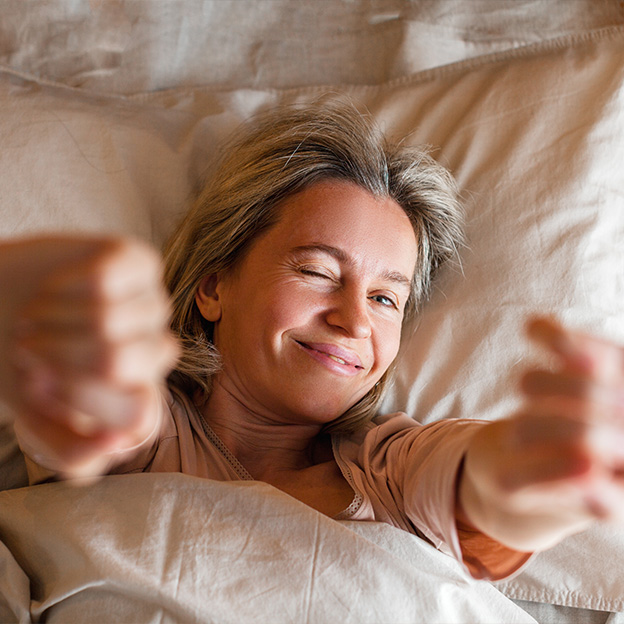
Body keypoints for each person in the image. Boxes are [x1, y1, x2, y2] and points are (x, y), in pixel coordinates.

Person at [1, 101, 623, 581]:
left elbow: (487, 485)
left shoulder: (389, 469)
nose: (355, 320)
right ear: (214, 288)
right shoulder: (155, 439)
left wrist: (559, 463)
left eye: (385, 299)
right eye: (318, 272)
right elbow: (102, 401)